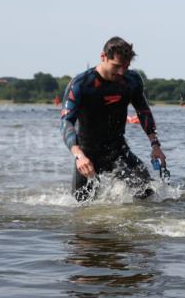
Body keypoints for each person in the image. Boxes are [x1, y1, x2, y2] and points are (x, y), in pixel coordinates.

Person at [60, 37, 165, 201]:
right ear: (103, 57)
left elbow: (143, 111)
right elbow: (66, 122)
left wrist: (155, 144)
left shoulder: (132, 81)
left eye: (126, 66)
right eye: (116, 66)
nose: (121, 72)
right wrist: (78, 155)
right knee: (81, 205)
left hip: (118, 151)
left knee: (147, 194)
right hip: (88, 154)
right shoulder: (80, 84)